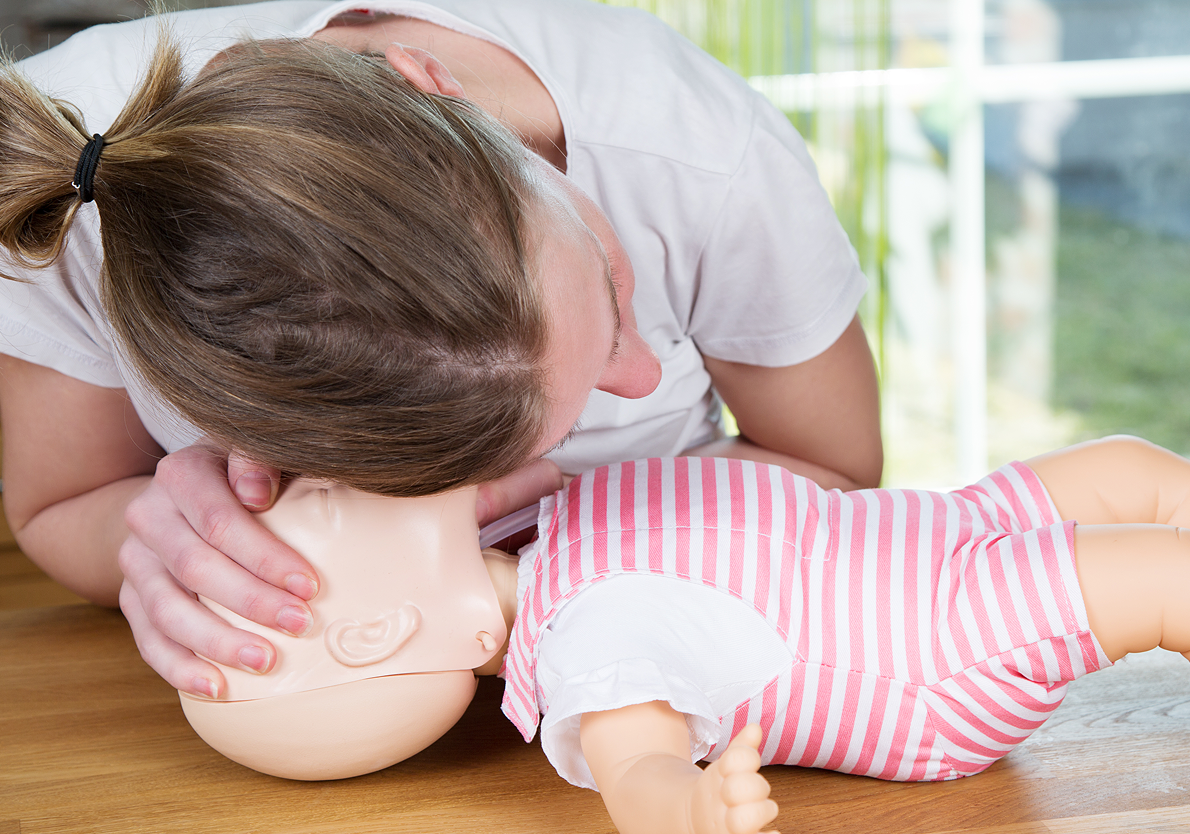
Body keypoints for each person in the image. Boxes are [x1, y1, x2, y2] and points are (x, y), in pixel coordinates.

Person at [0, 0, 881, 703]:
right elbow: (58, 507)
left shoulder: (704, 153)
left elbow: (838, 470)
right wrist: (160, 543)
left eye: (607, 287)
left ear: (435, 85)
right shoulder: (57, 196)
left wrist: (574, 538)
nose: (643, 375)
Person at [191, 435, 1190, 833]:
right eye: (319, 503)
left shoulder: (534, 532)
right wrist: (692, 804)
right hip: (931, 646)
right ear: (377, 632)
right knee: (1155, 576)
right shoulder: (585, 640)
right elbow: (637, 774)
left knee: (1128, 471)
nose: (320, 470)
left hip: (930, 528)